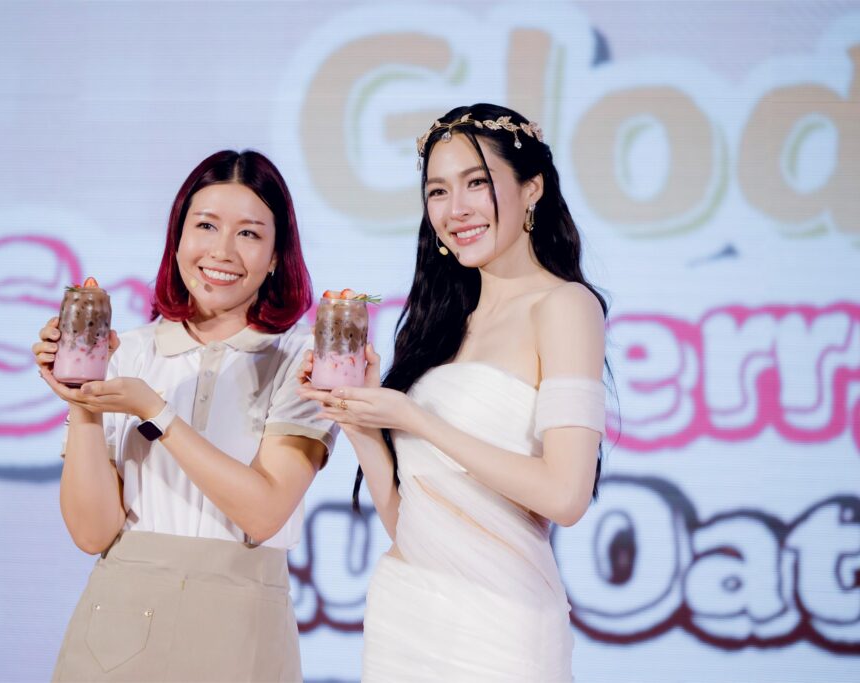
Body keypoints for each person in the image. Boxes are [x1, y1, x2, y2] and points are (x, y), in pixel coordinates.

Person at [299, 103, 608, 682]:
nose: (455, 209)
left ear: (532, 188)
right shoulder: (442, 324)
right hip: (406, 613)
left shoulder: (564, 306)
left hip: (501, 625)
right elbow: (410, 523)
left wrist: (418, 420)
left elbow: (566, 496)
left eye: (476, 183)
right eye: (437, 191)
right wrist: (359, 421)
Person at [32, 150, 336, 682]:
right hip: (116, 634)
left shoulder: (304, 363)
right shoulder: (127, 353)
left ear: (275, 256)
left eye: (249, 233)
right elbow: (92, 533)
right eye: (206, 225)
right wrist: (81, 401)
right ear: (177, 239)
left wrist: (155, 411)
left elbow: (264, 513)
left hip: (243, 637)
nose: (222, 250)